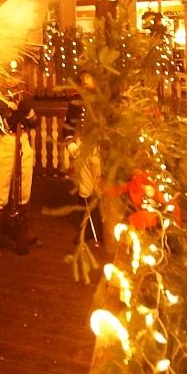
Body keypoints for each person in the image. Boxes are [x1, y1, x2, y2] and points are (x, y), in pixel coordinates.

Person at [0, 75, 41, 258]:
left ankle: (23, 230)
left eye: (16, 76)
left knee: (24, 189)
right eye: (9, 75)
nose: (13, 80)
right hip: (4, 142)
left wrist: (26, 111)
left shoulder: (24, 96)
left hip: (22, 141)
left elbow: (34, 122)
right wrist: (8, 115)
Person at [61, 69, 103, 244]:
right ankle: (86, 229)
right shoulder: (75, 99)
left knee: (100, 189)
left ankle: (102, 229)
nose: (85, 80)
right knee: (84, 190)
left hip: (99, 148)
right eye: (83, 77)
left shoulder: (103, 99)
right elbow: (69, 125)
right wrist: (70, 142)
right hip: (81, 147)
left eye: (88, 77)